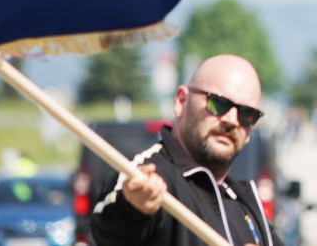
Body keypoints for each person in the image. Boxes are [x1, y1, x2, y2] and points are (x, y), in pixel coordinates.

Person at [90, 54, 282, 246]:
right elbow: (108, 232)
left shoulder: (245, 202)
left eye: (246, 114)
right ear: (181, 101)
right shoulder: (146, 175)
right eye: (218, 103)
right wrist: (132, 208)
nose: (231, 120)